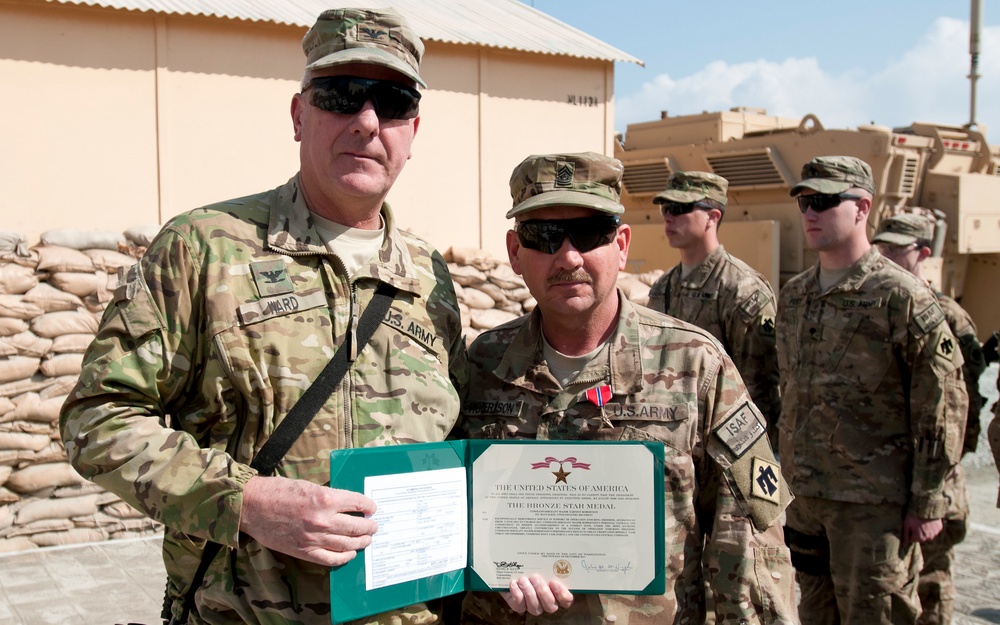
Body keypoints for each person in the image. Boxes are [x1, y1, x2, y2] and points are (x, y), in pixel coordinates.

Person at [59, 8, 467, 625]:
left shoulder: (430, 279)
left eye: (391, 101)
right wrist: (246, 500)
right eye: (341, 95)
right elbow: (96, 420)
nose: (365, 121)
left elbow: (454, 448)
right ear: (300, 115)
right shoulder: (204, 247)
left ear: (414, 130)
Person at [458, 151, 797, 624]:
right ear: (515, 252)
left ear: (620, 244)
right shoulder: (480, 365)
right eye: (544, 236)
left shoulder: (696, 364)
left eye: (590, 234)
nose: (568, 257)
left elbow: (751, 545)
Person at [777, 156, 968, 625]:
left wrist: (927, 500)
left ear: (863, 207)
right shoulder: (796, 296)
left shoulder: (900, 296)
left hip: (874, 507)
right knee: (812, 615)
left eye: (823, 201)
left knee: (878, 616)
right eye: (804, 202)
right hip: (806, 498)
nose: (810, 213)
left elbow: (942, 403)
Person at [872, 212, 986, 625]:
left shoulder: (948, 316)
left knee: (931, 583)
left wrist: (940, 477)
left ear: (922, 253)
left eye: (894, 249)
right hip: (891, 478)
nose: (883, 254)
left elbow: (964, 408)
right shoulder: (879, 304)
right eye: (880, 245)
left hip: (935, 478)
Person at [647, 171, 781, 446]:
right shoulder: (664, 286)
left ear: (713, 216)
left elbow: (759, 385)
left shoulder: (742, 288)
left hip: (724, 442)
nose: (668, 217)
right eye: (665, 208)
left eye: (679, 208)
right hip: (674, 439)